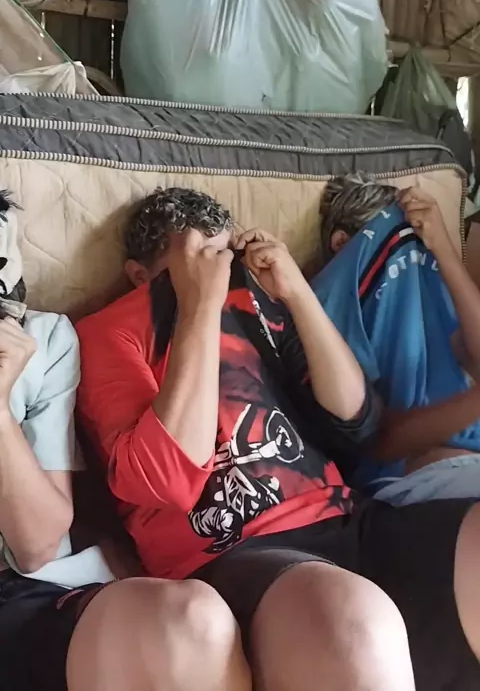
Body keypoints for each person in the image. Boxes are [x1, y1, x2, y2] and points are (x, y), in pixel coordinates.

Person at [77, 185, 480, 691]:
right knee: (350, 617)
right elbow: (166, 481)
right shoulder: (107, 330)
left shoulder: (256, 303)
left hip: (346, 520)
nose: (220, 271)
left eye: (224, 255)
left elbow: (358, 420)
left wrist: (296, 294)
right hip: (232, 552)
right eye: (201, 258)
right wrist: (197, 305)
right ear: (139, 275)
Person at [0, 190, 249, 691]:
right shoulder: (113, 332)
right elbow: (165, 476)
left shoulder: (41, 341)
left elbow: (37, 548)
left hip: (30, 587)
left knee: (193, 620)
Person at [313, 172, 480, 503]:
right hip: (419, 480)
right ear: (343, 244)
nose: (410, 256)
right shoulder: (325, 311)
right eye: (389, 241)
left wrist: (442, 248)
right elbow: (378, 439)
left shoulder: (430, 295)